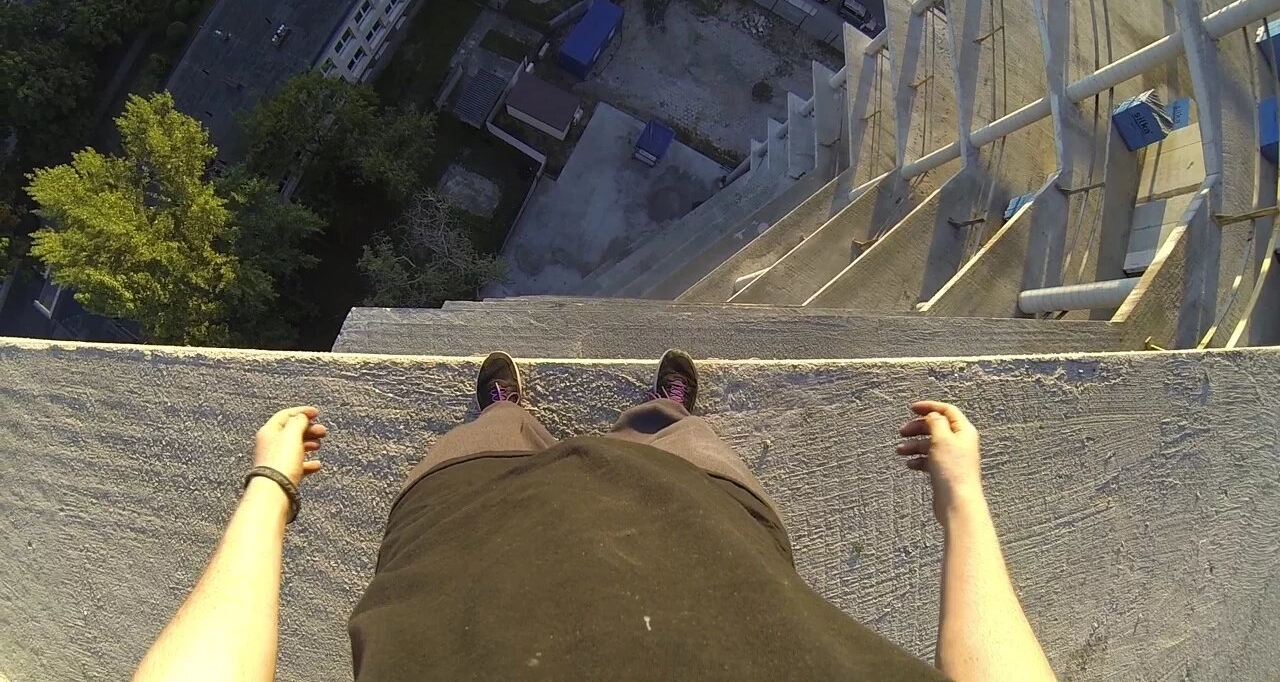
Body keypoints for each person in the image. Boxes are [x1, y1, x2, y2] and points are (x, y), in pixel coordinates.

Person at [134, 349, 1057, 682]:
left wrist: (271, 486)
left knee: (494, 434)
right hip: (704, 521)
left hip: (464, 532)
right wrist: (964, 499)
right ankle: (662, 411)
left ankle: (503, 410)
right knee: (674, 438)